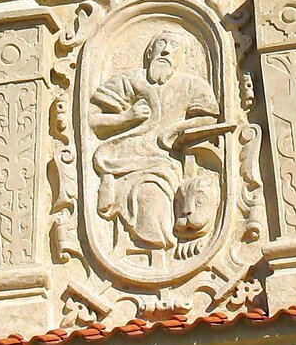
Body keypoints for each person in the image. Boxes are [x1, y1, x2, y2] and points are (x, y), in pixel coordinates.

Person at [87, 33, 221, 256]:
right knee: (145, 189)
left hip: (165, 160)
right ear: (150, 53)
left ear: (183, 57)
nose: (166, 50)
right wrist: (126, 117)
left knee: (153, 190)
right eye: (161, 44)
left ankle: (157, 248)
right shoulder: (128, 81)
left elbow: (210, 119)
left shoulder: (191, 85)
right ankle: (152, 250)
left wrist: (177, 129)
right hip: (122, 154)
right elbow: (94, 120)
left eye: (174, 46)